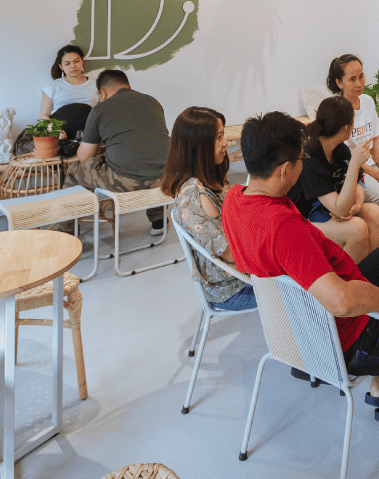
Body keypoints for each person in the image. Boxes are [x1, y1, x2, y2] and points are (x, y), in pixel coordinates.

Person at [222, 111, 379, 424]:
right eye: (301, 159)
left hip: (304, 323)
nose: (304, 164)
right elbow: (343, 302)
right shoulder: (282, 228)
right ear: (284, 169)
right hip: (343, 339)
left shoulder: (234, 199)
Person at [161, 106, 254, 312]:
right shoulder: (196, 196)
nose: (226, 142)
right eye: (219, 137)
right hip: (235, 288)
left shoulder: (210, 177)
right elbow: (232, 255)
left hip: (241, 276)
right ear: (199, 146)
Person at [66, 69, 170, 232]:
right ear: (128, 87)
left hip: (126, 180)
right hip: (165, 177)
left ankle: (66, 231)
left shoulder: (99, 109)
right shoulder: (153, 102)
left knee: (74, 170)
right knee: (151, 162)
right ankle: (158, 221)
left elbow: (85, 157)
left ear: (103, 92)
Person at [287, 97, 379, 262]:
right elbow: (340, 210)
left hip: (328, 209)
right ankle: (348, 278)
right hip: (302, 219)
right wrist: (355, 163)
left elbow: (357, 185)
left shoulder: (341, 150)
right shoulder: (310, 158)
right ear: (347, 127)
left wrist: (356, 206)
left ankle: (373, 273)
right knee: (357, 229)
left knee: (376, 214)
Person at [327, 54, 379, 213]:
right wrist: (375, 174)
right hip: (353, 170)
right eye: (352, 79)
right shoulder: (337, 111)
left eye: (361, 76)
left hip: (373, 165)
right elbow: (345, 157)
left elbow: (375, 138)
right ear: (339, 83)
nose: (359, 83)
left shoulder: (367, 101)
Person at [39, 44, 98, 141]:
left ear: (82, 61)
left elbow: (104, 111)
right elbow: (43, 116)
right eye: (67, 64)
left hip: (90, 139)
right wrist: (55, 130)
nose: (73, 66)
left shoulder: (96, 84)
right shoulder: (52, 87)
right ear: (61, 66)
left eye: (76, 61)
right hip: (60, 138)